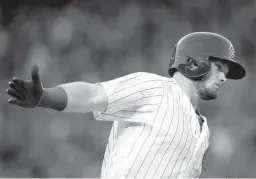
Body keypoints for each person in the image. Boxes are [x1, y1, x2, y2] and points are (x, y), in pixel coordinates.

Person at [6, 32, 246, 178]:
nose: (224, 77)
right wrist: (46, 97)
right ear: (195, 63)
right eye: (219, 68)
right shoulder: (156, 89)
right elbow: (93, 95)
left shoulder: (203, 130)